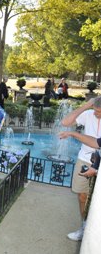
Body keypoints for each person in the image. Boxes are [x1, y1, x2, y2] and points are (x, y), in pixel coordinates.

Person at [60, 96, 101, 241]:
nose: (96, 114)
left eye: (99, 112)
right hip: (84, 159)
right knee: (82, 196)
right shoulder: (88, 114)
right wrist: (86, 106)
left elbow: (97, 144)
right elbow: (65, 122)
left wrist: (73, 134)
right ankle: (84, 228)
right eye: (95, 110)